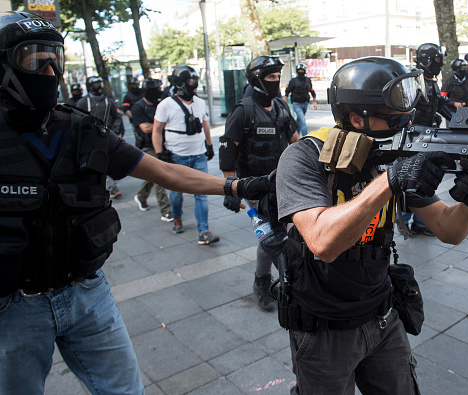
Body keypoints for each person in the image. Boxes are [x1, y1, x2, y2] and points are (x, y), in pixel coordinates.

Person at [0, 11, 270, 395]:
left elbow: (167, 173)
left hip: (88, 296)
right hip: (13, 311)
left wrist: (238, 187)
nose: (48, 70)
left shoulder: (81, 128)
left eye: (55, 57)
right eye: (33, 57)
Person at [275, 56, 468, 394]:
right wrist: (389, 182)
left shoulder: (390, 155)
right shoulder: (304, 157)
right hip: (323, 328)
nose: (406, 125)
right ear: (358, 119)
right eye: (395, 119)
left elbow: (448, 229)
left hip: (382, 314)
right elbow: (322, 242)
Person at [220, 55, 299, 311]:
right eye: (271, 78)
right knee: (269, 237)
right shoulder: (243, 111)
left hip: (281, 185)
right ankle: (264, 283)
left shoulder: (281, 107)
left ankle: (283, 279)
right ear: (256, 80)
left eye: (278, 77)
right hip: (253, 189)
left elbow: (296, 140)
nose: (276, 82)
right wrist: (230, 187)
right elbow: (226, 149)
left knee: (283, 235)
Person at [152, 65, 219, 244]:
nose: (194, 86)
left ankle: (204, 231)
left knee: (201, 193)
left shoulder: (199, 102)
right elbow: (157, 130)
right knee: (176, 192)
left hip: (198, 155)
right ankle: (177, 217)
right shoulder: (165, 104)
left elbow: (204, 124)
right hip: (176, 156)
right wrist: (160, 153)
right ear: (180, 84)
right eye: (190, 83)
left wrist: (209, 145)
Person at [401, 43, 448, 237]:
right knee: (410, 181)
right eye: (436, 59)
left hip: (427, 138)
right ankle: (403, 222)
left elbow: (439, 106)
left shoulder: (430, 80)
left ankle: (420, 222)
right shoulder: (414, 80)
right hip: (414, 139)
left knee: (425, 180)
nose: (439, 63)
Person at [132, 78, 174, 221]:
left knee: (153, 174)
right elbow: (145, 128)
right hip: (147, 146)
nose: (159, 91)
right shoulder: (138, 107)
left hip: (164, 144)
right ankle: (166, 210)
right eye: (156, 89)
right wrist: (161, 124)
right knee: (159, 175)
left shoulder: (160, 104)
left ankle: (141, 196)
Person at [77, 75, 124, 198]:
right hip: (89, 138)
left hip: (106, 136)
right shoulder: (83, 102)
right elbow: (77, 119)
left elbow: (117, 117)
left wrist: (115, 130)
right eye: (95, 84)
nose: (99, 87)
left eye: (100, 84)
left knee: (107, 161)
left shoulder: (108, 101)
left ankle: (112, 188)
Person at [284, 62, 318, 136]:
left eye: (302, 70)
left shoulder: (308, 80)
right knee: (302, 120)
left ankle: (295, 136)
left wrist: (315, 102)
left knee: (299, 121)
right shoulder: (293, 81)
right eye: (299, 70)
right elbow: (287, 92)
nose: (300, 72)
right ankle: (305, 139)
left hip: (305, 103)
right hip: (296, 104)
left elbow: (312, 91)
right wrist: (285, 104)